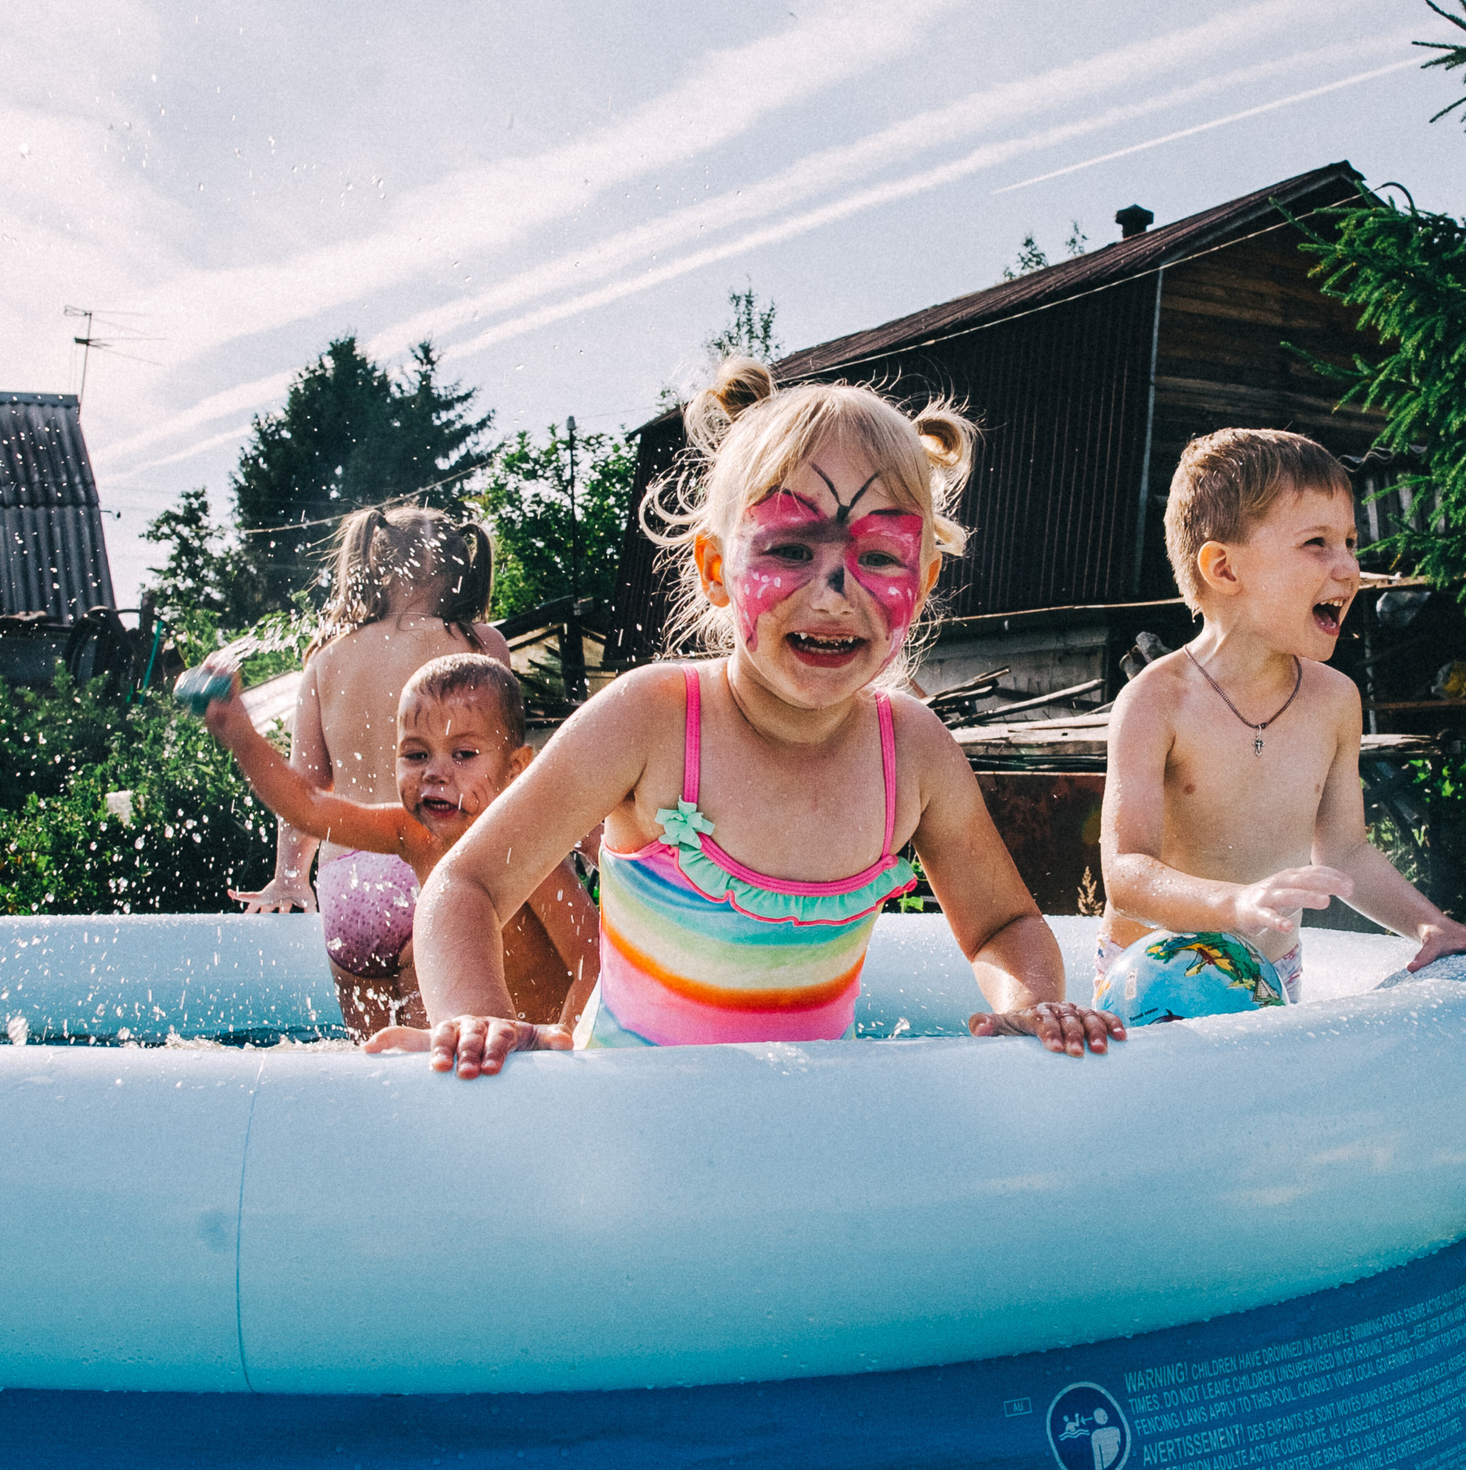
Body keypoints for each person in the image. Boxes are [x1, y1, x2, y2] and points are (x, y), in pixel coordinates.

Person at [380, 359, 1126, 1077]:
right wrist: (475, 1018)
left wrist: (1031, 1003)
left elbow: (1004, 925)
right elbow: (465, 886)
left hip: (806, 1124)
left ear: (925, 577)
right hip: (631, 1121)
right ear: (715, 568)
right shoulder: (655, 722)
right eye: (791, 548)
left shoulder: (911, 751)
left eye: (879, 556)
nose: (834, 592)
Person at [1097, 428, 1466, 1001]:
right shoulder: (1156, 702)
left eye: (1350, 543)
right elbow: (1127, 873)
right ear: (1225, 569)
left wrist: (1433, 926)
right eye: (1318, 544)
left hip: (1273, 972)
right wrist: (1235, 902)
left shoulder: (1333, 700)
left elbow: (1345, 853)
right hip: (1154, 976)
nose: (1349, 568)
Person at [224, 507, 517, 1035]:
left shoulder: (325, 656)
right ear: (459, 569)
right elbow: (497, 764)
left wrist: (289, 877)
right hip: (434, 869)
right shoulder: (479, 645)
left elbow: (308, 785)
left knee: (372, 1060)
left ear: (372, 568)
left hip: (346, 883)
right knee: (443, 1052)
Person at [200, 648, 597, 1035]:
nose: (435, 772)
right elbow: (309, 808)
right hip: (480, 1052)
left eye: (463, 753)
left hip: (535, 1052)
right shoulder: (412, 834)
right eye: (416, 755)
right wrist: (241, 735)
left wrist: (563, 1046)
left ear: (514, 769)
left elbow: (592, 962)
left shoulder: (525, 848)